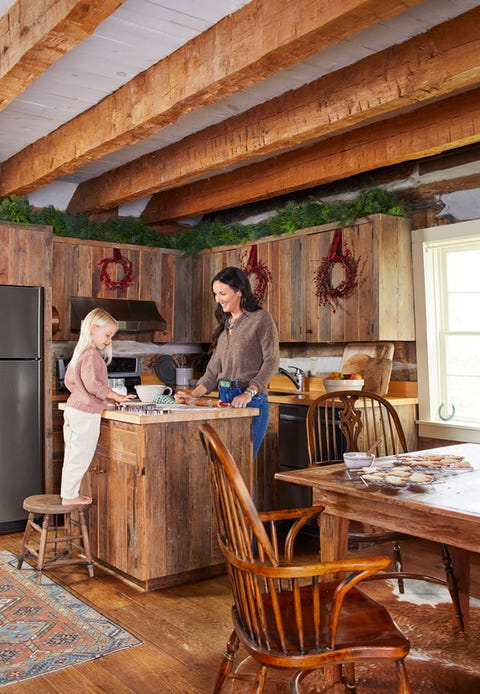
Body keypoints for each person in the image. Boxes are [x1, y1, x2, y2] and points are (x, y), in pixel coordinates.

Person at [175, 266, 279, 458]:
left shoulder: (260, 319)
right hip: (225, 398)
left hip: (251, 402)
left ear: (239, 291)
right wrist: (192, 396)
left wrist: (249, 392)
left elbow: (272, 361)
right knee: (225, 467)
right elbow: (213, 372)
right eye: (215, 294)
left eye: (222, 293)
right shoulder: (226, 324)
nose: (218, 299)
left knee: (241, 467)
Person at [60, 309, 134, 505]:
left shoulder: (81, 353)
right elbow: (93, 385)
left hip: (73, 409)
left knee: (72, 454)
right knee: (81, 455)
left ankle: (69, 493)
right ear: (93, 328)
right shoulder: (92, 355)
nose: (109, 340)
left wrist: (106, 400)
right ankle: (69, 496)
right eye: (107, 334)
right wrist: (114, 395)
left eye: (111, 336)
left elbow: (73, 383)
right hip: (85, 413)